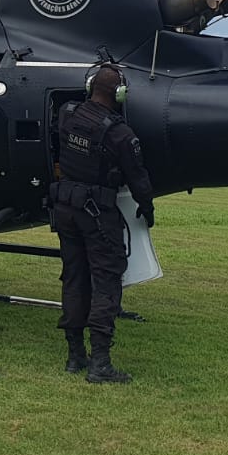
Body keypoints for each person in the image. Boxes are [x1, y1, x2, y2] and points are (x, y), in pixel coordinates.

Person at [50, 63, 155, 384]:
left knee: (74, 277)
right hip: (97, 213)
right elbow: (138, 177)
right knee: (106, 281)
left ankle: (74, 355)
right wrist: (147, 207)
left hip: (65, 206)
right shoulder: (120, 133)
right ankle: (100, 363)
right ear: (120, 93)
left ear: (90, 87)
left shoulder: (68, 115)